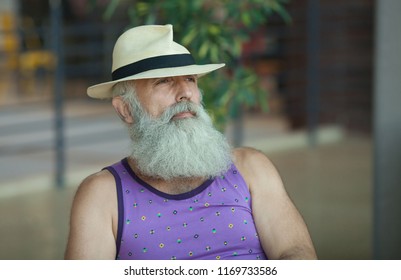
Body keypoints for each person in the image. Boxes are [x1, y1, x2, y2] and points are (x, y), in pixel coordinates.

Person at [64, 24, 317, 260]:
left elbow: (295, 250)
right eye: (163, 81)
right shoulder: (101, 194)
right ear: (126, 109)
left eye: (190, 80)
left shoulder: (251, 168)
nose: (185, 93)